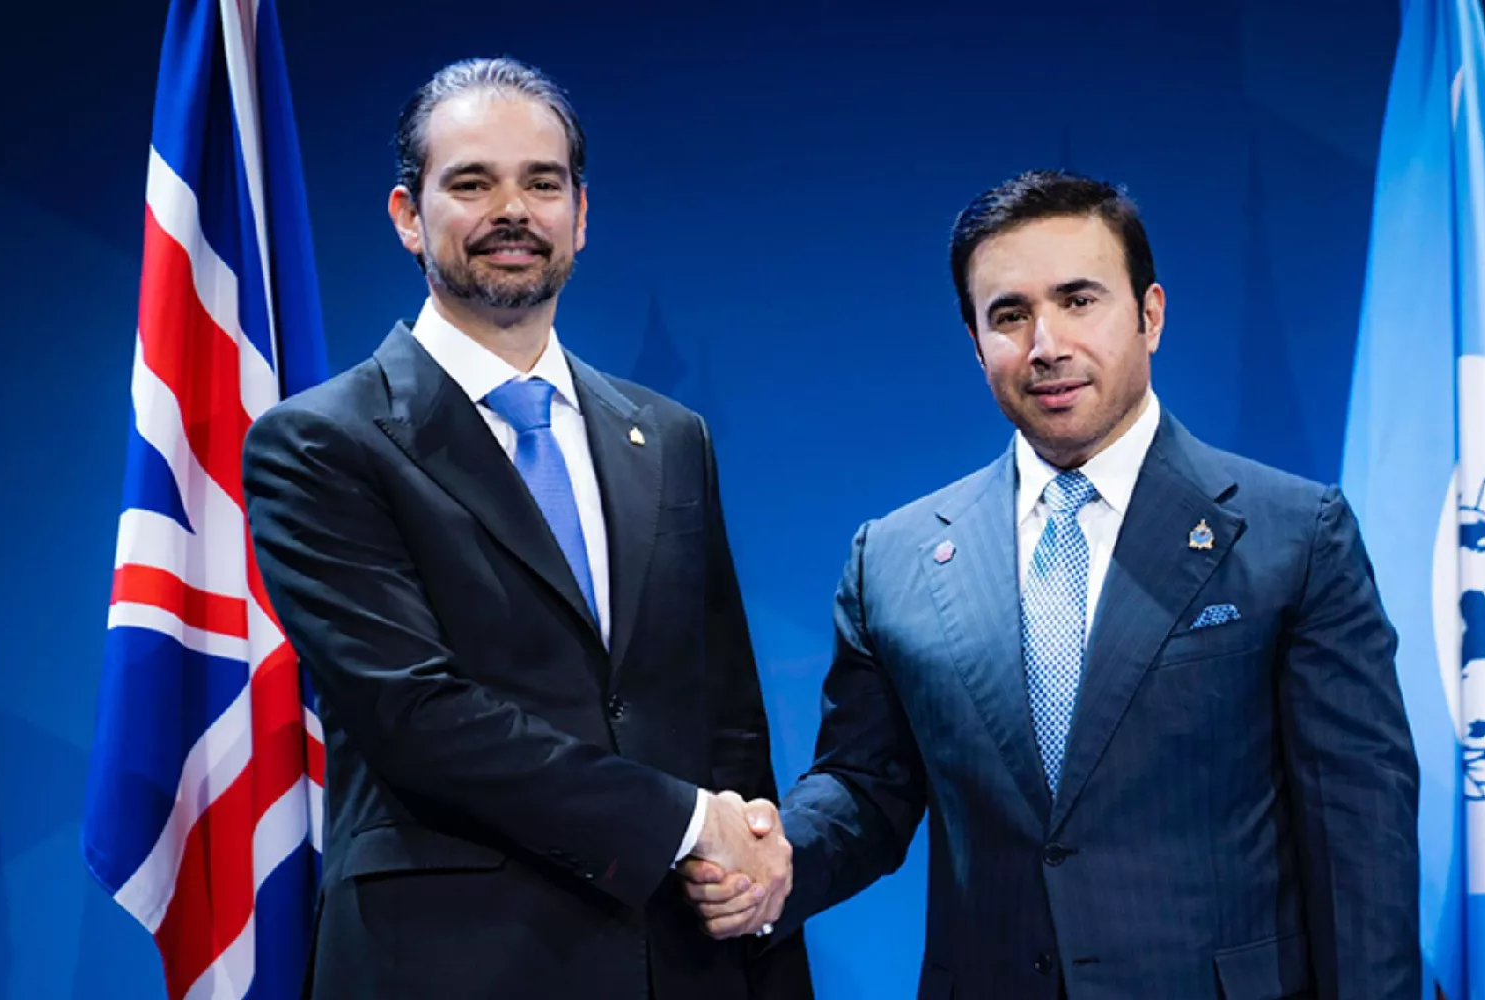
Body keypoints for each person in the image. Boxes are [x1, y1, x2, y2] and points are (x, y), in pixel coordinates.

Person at [686, 170, 1420, 999]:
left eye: (1079, 301)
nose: (1046, 345)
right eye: (1009, 315)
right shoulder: (891, 559)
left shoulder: (1294, 535)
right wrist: (777, 856)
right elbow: (868, 788)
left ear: (1150, 315)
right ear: (975, 344)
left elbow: (1358, 840)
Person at [242, 56, 807, 1000]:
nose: (513, 210)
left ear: (580, 215)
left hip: (681, 960)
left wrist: (749, 870)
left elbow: (727, 721)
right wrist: (681, 823)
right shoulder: (320, 443)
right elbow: (417, 717)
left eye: (542, 184)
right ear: (407, 216)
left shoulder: (670, 436)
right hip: (452, 963)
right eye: (472, 183)